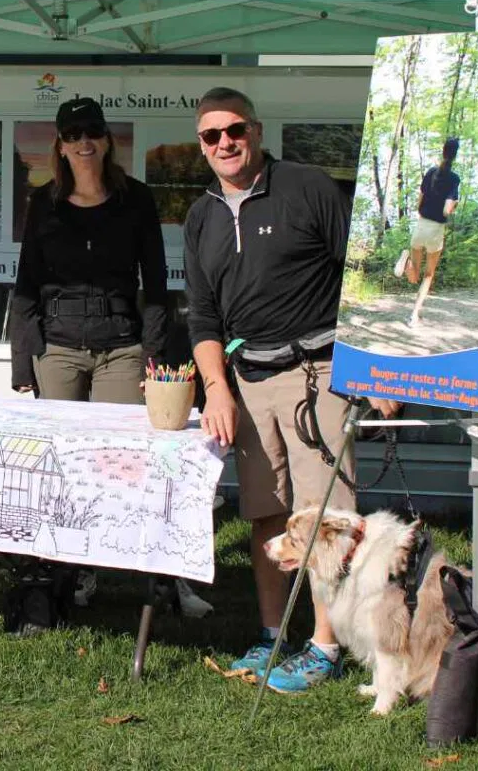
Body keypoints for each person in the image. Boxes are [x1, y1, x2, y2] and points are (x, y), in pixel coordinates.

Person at [184, 86, 397, 693]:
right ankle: (272, 634)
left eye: (235, 131)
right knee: (265, 513)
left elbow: (363, 283)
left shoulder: (307, 187)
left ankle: (325, 646)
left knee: (327, 518)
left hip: (319, 373)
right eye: (211, 136)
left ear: (256, 129)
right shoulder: (201, 216)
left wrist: (376, 370)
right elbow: (202, 317)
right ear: (201, 146)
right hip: (248, 381)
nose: (225, 143)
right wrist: (216, 391)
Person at [10, 97, 212, 617]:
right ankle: (75, 572)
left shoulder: (136, 199)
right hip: (57, 350)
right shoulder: (43, 203)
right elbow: (26, 283)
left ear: (107, 140)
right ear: (59, 144)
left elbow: (155, 282)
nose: (83, 142)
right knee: (60, 469)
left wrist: (152, 356)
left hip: (121, 348)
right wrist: (21, 362)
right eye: (73, 133)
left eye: (92, 132)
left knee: (126, 466)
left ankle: (167, 578)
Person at [397, 137, 461, 326]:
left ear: (443, 151)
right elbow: (446, 210)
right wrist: (454, 204)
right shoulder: (454, 179)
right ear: (455, 155)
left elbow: (420, 200)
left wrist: (423, 211)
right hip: (435, 230)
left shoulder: (432, 172)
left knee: (413, 275)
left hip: (421, 225)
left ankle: (406, 259)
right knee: (427, 275)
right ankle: (414, 315)